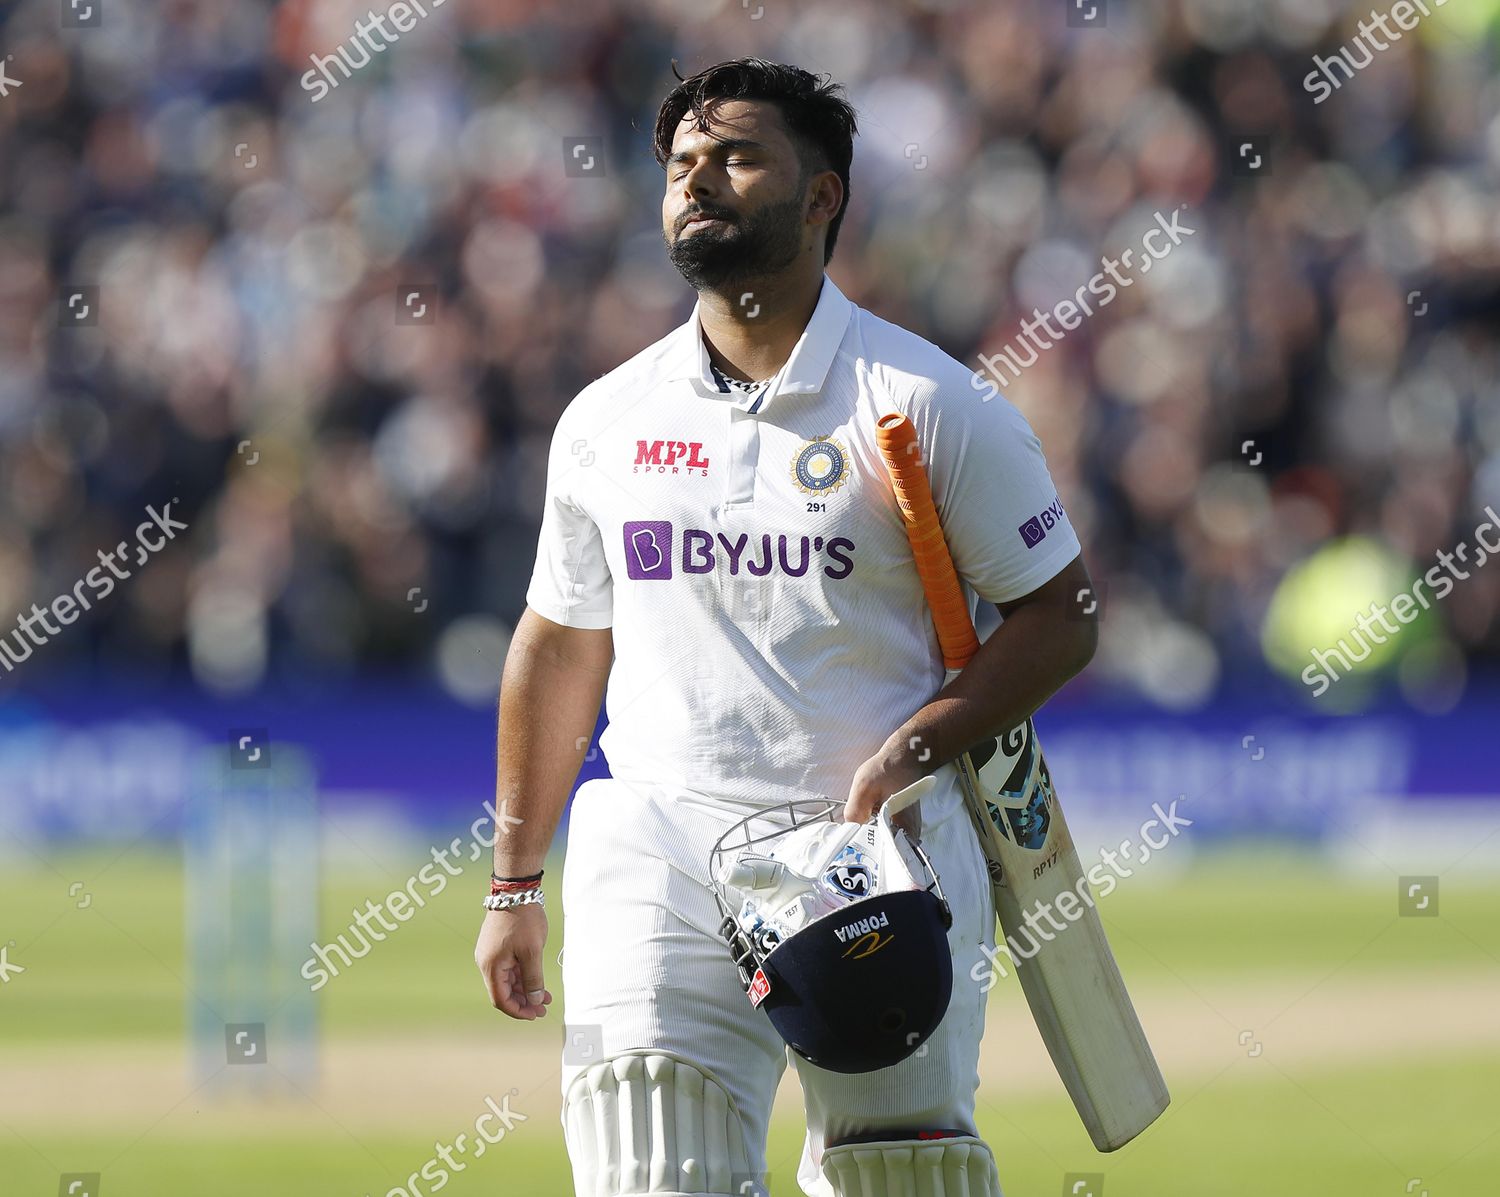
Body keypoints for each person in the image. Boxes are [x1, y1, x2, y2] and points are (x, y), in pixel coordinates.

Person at [474, 56, 1098, 1197]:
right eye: (680, 164)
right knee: (648, 1169)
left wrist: (920, 746)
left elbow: (1062, 614)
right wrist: (514, 885)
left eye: (736, 156)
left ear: (822, 198)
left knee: (895, 1178)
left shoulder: (926, 403)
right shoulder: (608, 419)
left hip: (876, 855)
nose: (698, 180)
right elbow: (559, 644)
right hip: (659, 846)